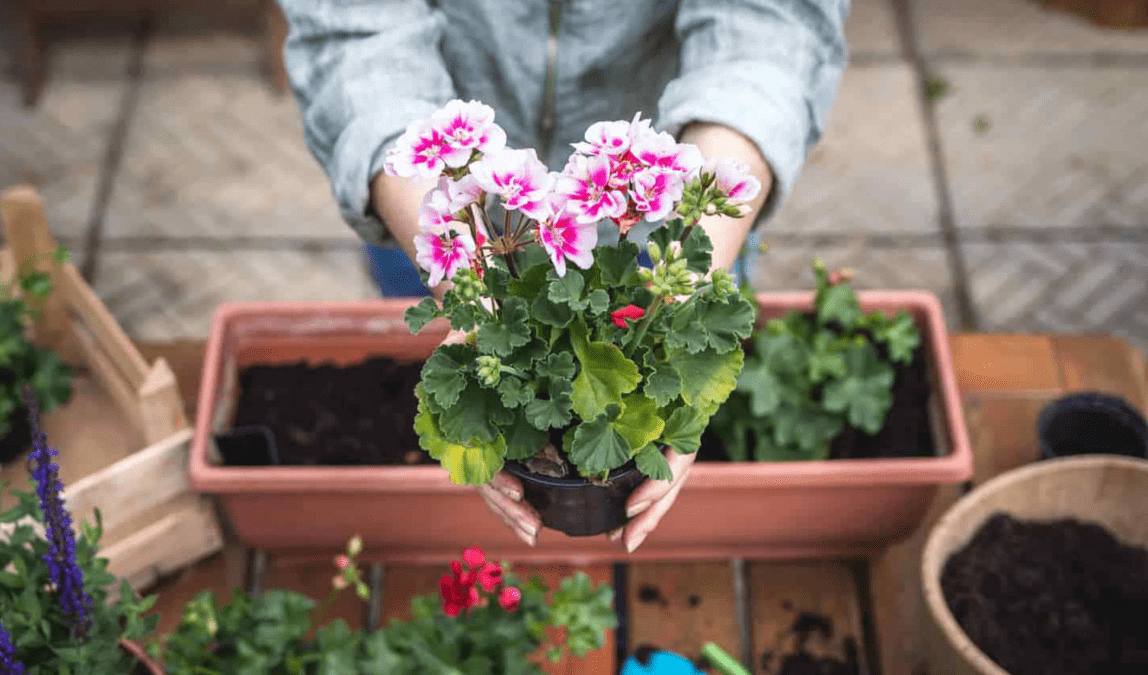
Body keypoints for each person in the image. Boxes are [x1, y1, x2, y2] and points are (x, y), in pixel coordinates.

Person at [276, 0, 849, 553]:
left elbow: (775, 21)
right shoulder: (449, 219)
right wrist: (469, 294)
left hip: (666, 222)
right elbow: (352, 27)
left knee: (683, 350)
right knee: (457, 378)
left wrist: (691, 266)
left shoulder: (678, 227)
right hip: (432, 219)